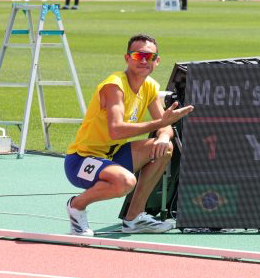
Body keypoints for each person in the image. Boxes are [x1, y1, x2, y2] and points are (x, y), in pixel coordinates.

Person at [64, 34, 194, 236]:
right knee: (126, 182)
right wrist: (160, 123)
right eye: (138, 55)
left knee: (165, 148)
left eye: (149, 56)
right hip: (81, 160)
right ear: (127, 58)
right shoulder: (114, 86)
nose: (143, 60)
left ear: (157, 61)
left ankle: (134, 218)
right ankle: (76, 205)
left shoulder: (149, 86)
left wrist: (162, 135)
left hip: (111, 156)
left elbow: (165, 126)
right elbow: (116, 130)